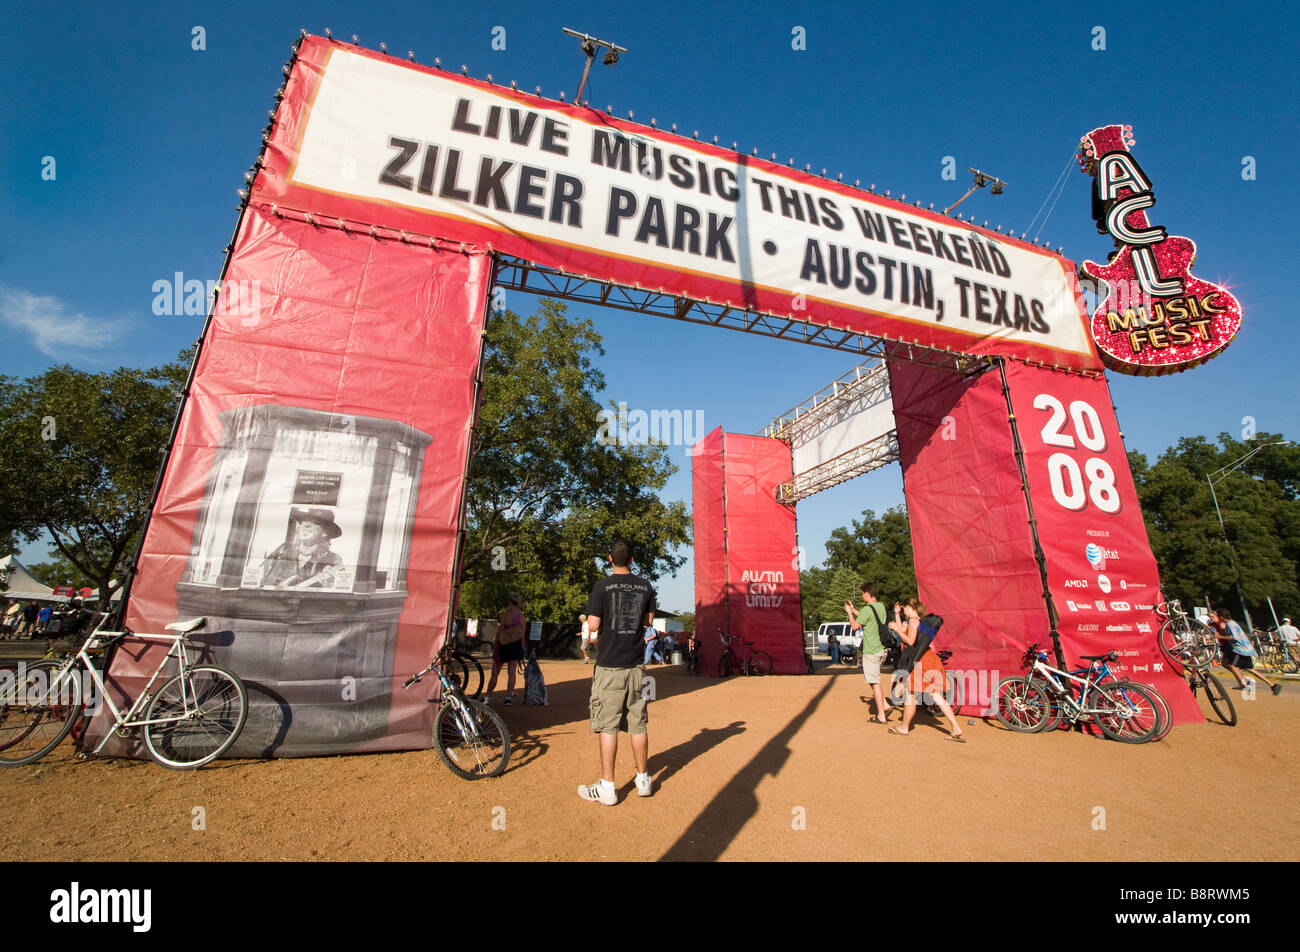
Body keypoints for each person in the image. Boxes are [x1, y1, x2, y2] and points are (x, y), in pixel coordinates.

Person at [578, 539, 657, 806]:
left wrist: (587, 619)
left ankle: (608, 787)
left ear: (609, 559)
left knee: (608, 726)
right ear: (632, 559)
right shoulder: (646, 586)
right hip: (637, 666)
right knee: (638, 723)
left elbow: (594, 624)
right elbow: (648, 621)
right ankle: (643, 780)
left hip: (609, 666)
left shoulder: (602, 587)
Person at [886, 597, 965, 742]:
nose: (904, 612)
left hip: (919, 663)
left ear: (910, 608)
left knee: (910, 694)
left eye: (904, 609)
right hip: (927, 660)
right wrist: (897, 616)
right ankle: (956, 728)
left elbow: (909, 641)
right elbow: (904, 637)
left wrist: (897, 628)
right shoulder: (918, 621)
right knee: (935, 695)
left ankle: (904, 727)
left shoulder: (914, 621)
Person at [259, 508, 344, 589]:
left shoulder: (333, 559)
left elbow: (340, 585)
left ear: (324, 533)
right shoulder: (283, 550)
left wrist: (327, 583)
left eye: (315, 523)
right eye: (305, 521)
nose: (306, 525)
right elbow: (260, 576)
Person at [846, 582, 892, 724]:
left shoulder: (867, 609)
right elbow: (869, 617)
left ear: (867, 594)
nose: (861, 596)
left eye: (862, 593)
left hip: (871, 650)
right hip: (882, 649)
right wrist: (854, 611)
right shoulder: (881, 607)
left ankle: (881, 716)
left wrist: (849, 614)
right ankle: (885, 705)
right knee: (873, 680)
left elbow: (854, 626)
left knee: (874, 682)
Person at [1216, 608, 1281, 695]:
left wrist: (1220, 637)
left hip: (1240, 649)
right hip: (1245, 649)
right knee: (1248, 668)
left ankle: (1244, 684)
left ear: (1221, 617)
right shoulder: (1232, 623)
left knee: (1233, 666)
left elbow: (1235, 637)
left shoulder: (1230, 624)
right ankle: (1272, 685)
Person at [485, 593, 526, 705]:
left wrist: (496, 645)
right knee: (512, 673)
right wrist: (522, 649)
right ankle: (508, 698)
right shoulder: (522, 617)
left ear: (510, 603)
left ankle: (487, 697)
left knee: (495, 673)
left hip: (504, 645)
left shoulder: (506, 615)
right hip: (516, 645)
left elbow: (499, 631)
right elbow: (522, 635)